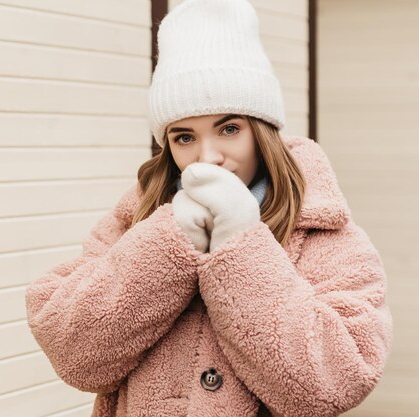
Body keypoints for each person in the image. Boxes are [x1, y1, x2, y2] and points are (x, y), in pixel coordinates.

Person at [24, 0, 393, 416]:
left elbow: (334, 383)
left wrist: (242, 246)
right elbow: (74, 354)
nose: (207, 156)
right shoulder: (133, 222)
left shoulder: (324, 231)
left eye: (229, 129)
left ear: (262, 131)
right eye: (184, 137)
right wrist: (166, 243)